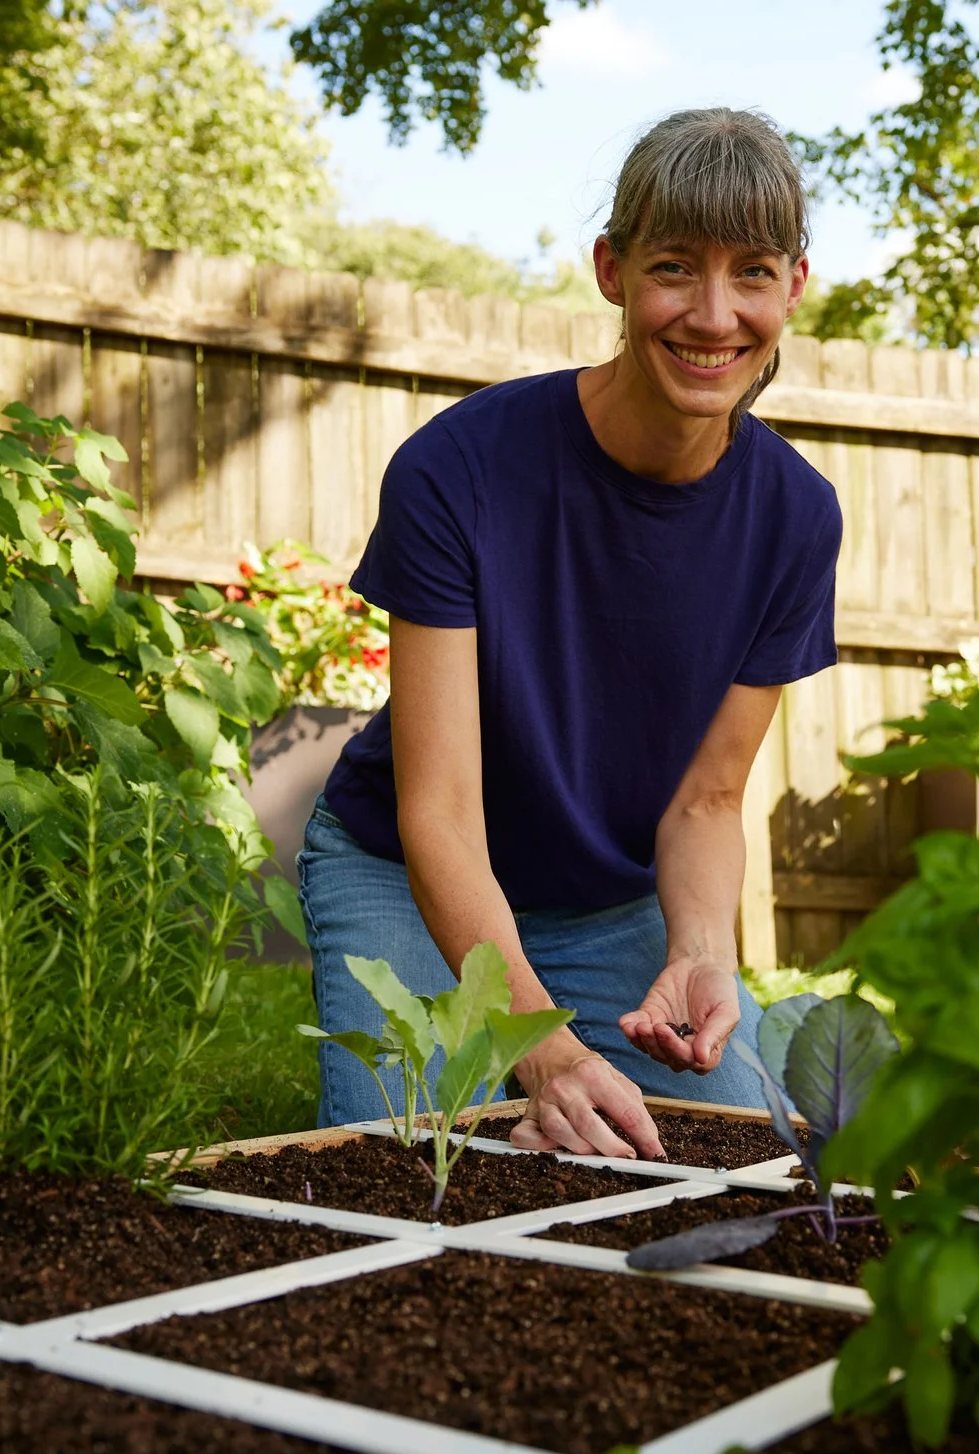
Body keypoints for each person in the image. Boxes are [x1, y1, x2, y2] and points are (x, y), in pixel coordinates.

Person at [298, 107, 842, 1161]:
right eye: (675, 267)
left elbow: (708, 798)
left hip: (604, 905)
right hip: (408, 875)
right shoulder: (459, 471)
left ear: (793, 288)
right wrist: (537, 1045)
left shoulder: (794, 517)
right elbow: (443, 814)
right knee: (405, 1159)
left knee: (735, 1150)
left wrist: (696, 947)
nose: (714, 315)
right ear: (611, 269)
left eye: (753, 274)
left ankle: (752, 1033)